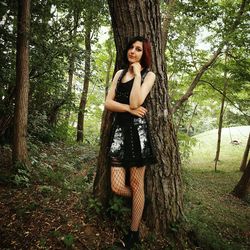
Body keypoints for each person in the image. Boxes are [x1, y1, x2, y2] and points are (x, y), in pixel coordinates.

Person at [105, 36, 156, 249]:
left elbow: (137, 101)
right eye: (131, 48)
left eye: (138, 49)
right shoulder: (118, 74)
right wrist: (127, 109)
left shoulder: (149, 75)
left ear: (144, 54)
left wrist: (136, 76)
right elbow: (108, 103)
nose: (133, 52)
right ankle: (140, 199)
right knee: (117, 187)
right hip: (118, 132)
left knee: (137, 183)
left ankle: (133, 233)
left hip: (137, 134)